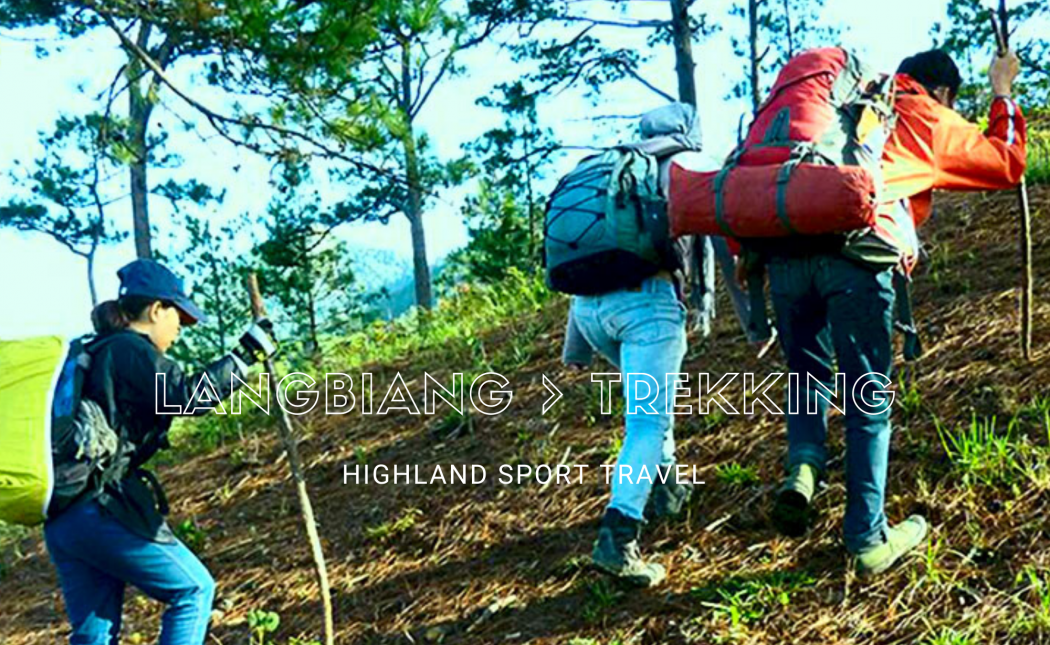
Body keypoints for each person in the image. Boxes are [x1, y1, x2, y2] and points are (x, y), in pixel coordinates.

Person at [760, 48, 1026, 577]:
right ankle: (866, 538)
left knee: (806, 374)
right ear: (945, 92)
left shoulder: (846, 102)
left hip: (786, 250)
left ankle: (805, 465)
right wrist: (1001, 91)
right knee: (867, 399)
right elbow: (1008, 162)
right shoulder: (926, 113)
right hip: (856, 257)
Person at [43, 259, 278, 645]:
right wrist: (245, 355)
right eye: (179, 319)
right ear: (156, 309)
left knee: (93, 635)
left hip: (63, 518)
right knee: (193, 591)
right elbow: (183, 396)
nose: (180, 331)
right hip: (101, 509)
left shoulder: (92, 351)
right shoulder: (128, 349)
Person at [561, 104, 741, 588]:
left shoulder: (613, 165)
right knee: (646, 422)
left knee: (647, 408)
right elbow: (725, 241)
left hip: (591, 313)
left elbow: (591, 253)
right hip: (647, 309)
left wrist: (575, 347)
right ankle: (618, 539)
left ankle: (668, 492)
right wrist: (754, 320)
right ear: (690, 134)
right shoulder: (686, 166)